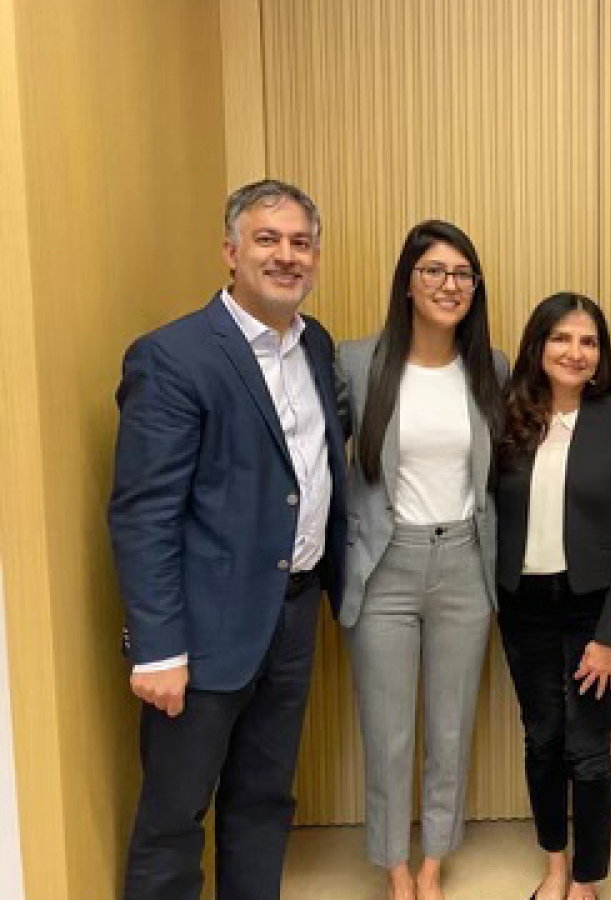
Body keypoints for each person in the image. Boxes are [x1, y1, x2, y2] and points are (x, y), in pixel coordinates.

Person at [108, 179, 346, 900]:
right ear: (230, 252)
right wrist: (158, 647)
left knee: (265, 801)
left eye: (300, 242)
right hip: (203, 628)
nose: (286, 256)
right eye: (267, 240)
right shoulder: (174, 356)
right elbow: (144, 511)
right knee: (175, 818)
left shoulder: (315, 344)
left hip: (292, 612)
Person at [337, 219, 507, 900]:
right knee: (387, 729)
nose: (449, 285)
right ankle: (395, 866)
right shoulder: (357, 361)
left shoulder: (489, 370)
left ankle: (434, 860)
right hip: (386, 566)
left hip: (466, 561)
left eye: (462, 274)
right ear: (407, 282)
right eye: (433, 270)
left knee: (450, 724)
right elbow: (320, 460)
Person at [495, 292, 611, 900]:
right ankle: (555, 867)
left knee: (588, 748)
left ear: (602, 354)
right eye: (561, 339)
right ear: (538, 347)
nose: (575, 352)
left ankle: (587, 881)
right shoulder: (507, 417)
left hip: (595, 607)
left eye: (588, 341)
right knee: (542, 739)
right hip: (524, 605)